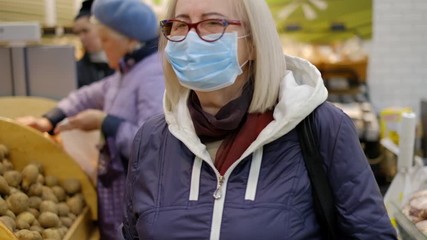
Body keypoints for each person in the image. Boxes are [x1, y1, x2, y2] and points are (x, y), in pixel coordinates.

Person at [121, 0, 397, 239]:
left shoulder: (322, 127)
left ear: (253, 43)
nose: (192, 38)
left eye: (213, 23)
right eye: (180, 25)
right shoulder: (152, 139)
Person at [17, 0, 164, 239]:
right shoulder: (126, 71)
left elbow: (153, 145)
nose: (102, 47)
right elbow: (88, 95)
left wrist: (104, 122)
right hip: (116, 191)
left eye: (105, 40)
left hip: (139, 194)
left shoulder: (152, 75)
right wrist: (48, 119)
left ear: (129, 40)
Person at [73, 0, 114, 87]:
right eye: (78, 33)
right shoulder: (75, 70)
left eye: (85, 31)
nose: (81, 38)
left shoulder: (124, 65)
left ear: (102, 29)